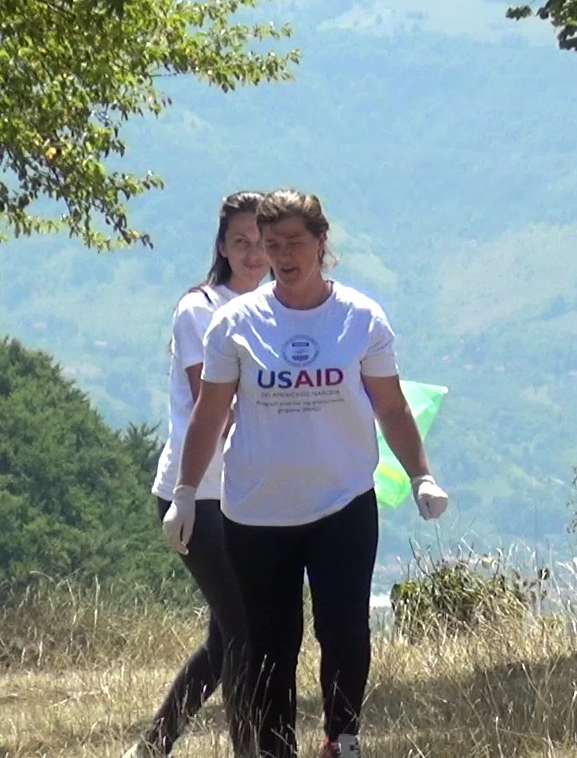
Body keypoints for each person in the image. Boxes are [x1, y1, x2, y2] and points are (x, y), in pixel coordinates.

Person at [165, 189, 449, 758]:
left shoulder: (360, 318)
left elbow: (390, 406)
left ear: (321, 242)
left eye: (294, 242)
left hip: (342, 502)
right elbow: (209, 413)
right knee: (270, 641)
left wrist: (421, 474)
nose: (283, 255)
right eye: (272, 245)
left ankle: (342, 737)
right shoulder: (234, 323)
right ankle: (276, 748)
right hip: (257, 510)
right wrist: (185, 493)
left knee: (344, 628)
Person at [131, 190, 269, 758]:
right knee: (245, 633)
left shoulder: (277, 313)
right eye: (241, 241)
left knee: (223, 641)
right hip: (195, 495)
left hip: (249, 497)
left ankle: (152, 747)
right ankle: (248, 749)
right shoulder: (200, 309)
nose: (253, 254)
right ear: (222, 247)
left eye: (262, 242)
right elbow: (212, 403)